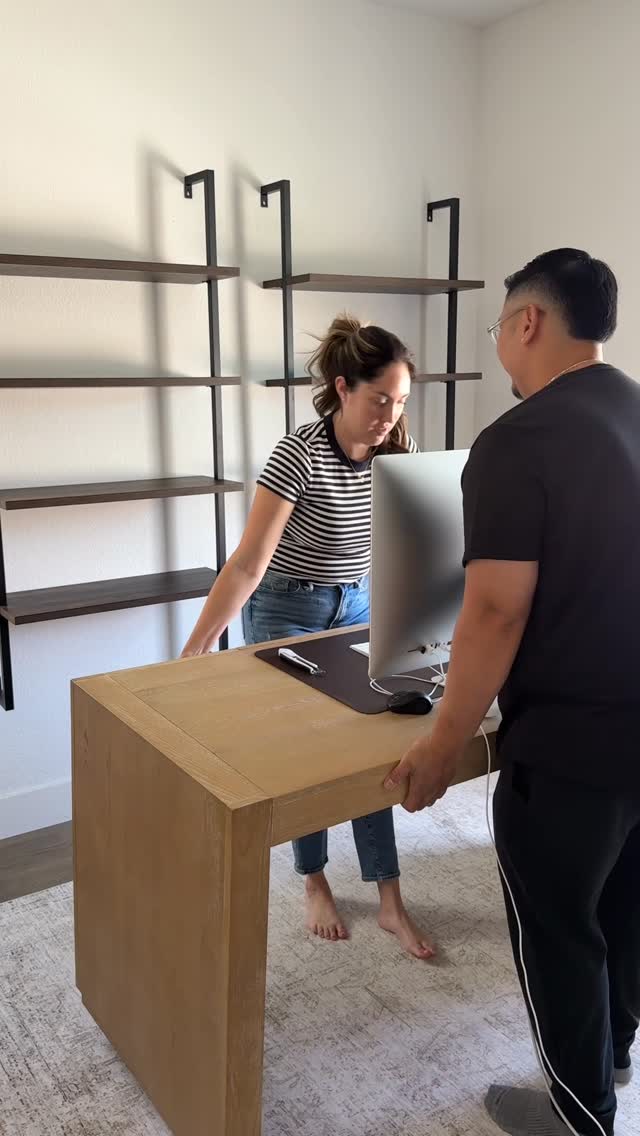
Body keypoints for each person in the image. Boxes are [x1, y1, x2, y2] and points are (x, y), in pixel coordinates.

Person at [386, 249, 639, 1135]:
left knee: (560, 931)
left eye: (499, 325)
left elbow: (495, 609)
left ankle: (580, 1116)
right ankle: (614, 1056)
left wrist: (442, 743)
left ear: (528, 323)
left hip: (570, 748)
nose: (499, 341)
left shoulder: (518, 440)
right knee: (625, 908)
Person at [182, 314, 435, 960]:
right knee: (308, 754)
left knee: (373, 742)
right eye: (379, 400)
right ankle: (314, 879)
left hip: (356, 601)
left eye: (400, 401)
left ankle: (389, 896)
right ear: (343, 388)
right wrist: (198, 647)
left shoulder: (395, 449)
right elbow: (248, 563)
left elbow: (411, 542)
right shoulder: (298, 454)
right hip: (285, 608)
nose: (389, 415)